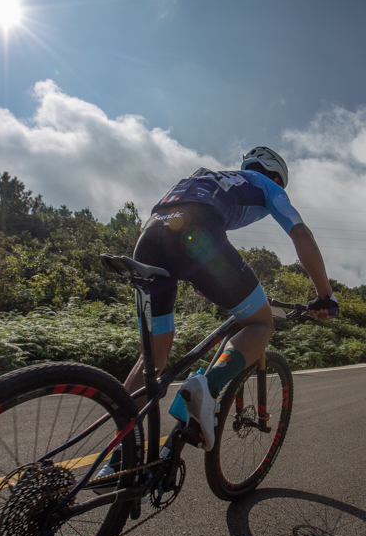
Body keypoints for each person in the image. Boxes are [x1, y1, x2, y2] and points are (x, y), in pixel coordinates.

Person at [122, 146, 338, 452]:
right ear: (276, 176)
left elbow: (180, 227)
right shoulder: (267, 185)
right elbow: (301, 234)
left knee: (152, 359)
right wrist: (325, 295)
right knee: (261, 323)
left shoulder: (211, 177)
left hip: (150, 235)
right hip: (197, 230)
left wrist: (200, 276)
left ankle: (119, 457)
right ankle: (206, 391)